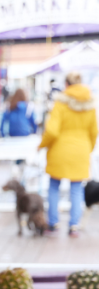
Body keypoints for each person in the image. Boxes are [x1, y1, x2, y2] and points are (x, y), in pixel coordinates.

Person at [38, 71, 98, 237]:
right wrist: (89, 148)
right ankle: (73, 227)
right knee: (76, 189)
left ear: (66, 84)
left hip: (59, 151)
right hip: (81, 151)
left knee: (54, 187)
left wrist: (41, 145)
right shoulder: (90, 104)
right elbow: (94, 132)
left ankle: (53, 224)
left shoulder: (60, 102)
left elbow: (52, 131)